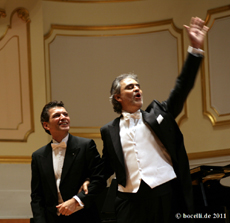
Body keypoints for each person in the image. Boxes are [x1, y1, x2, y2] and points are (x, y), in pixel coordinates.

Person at [100, 17, 209, 223]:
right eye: (129, 87)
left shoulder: (160, 113)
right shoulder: (108, 130)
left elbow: (182, 87)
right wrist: (86, 181)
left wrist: (195, 51)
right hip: (129, 200)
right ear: (118, 97)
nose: (136, 89)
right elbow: (105, 166)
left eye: (137, 85)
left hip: (164, 195)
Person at [30, 100, 106, 223]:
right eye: (56, 115)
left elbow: (100, 180)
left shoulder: (86, 146)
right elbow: (37, 196)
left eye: (65, 114)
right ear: (46, 125)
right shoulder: (38, 156)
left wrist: (76, 200)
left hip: (83, 218)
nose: (63, 117)